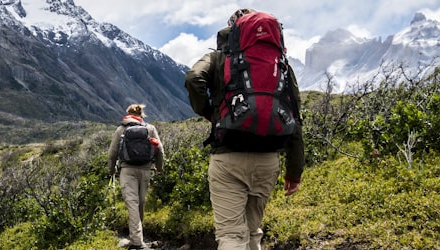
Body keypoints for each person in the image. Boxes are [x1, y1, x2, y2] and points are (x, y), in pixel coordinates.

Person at [184, 9, 305, 250]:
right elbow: (295, 116)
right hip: (268, 160)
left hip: (229, 157)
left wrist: (209, 112)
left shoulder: (220, 57)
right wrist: (294, 172)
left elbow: (193, 78)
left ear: (233, 30)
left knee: (231, 235)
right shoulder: (280, 64)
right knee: (252, 231)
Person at [107, 104, 164, 250]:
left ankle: (137, 242)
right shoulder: (150, 129)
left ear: (128, 114)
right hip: (145, 170)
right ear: (142, 115)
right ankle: (137, 238)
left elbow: (112, 153)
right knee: (140, 203)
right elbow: (160, 149)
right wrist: (159, 167)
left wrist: (112, 170)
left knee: (132, 203)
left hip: (127, 171)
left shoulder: (121, 129)